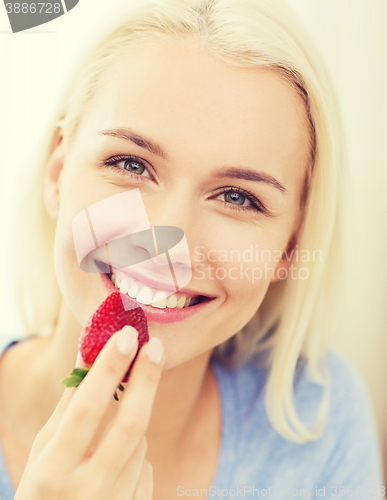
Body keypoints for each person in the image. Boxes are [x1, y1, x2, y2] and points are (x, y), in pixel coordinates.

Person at [0, 0, 384, 498]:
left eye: (237, 197)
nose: (167, 243)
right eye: (132, 165)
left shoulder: (322, 418)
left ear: (291, 244)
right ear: (58, 173)